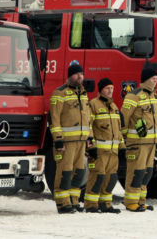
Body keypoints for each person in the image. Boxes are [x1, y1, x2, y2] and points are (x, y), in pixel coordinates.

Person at [48, 61, 92, 213]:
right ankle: (62, 203)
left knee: (79, 172)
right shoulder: (59, 93)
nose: (80, 76)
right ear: (69, 76)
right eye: (76, 73)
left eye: (81, 74)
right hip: (66, 142)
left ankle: (74, 201)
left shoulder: (84, 94)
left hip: (81, 141)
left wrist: (90, 137)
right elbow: (54, 119)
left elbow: (88, 119)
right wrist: (58, 139)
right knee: (65, 172)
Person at [121, 67, 157, 212]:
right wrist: (124, 138)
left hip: (151, 143)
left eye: (156, 78)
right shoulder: (133, 96)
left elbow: (156, 121)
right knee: (136, 172)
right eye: (152, 78)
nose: (155, 80)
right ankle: (130, 202)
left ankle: (140, 201)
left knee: (147, 172)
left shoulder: (154, 97)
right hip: (137, 143)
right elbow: (123, 118)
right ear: (145, 79)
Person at [84, 77, 123, 214]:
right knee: (97, 177)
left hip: (113, 152)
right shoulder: (93, 105)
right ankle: (91, 205)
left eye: (112, 88)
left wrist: (122, 147)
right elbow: (88, 127)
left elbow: (119, 130)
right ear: (101, 90)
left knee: (111, 179)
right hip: (99, 152)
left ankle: (106, 204)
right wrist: (91, 146)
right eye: (107, 88)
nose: (110, 91)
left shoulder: (114, 107)